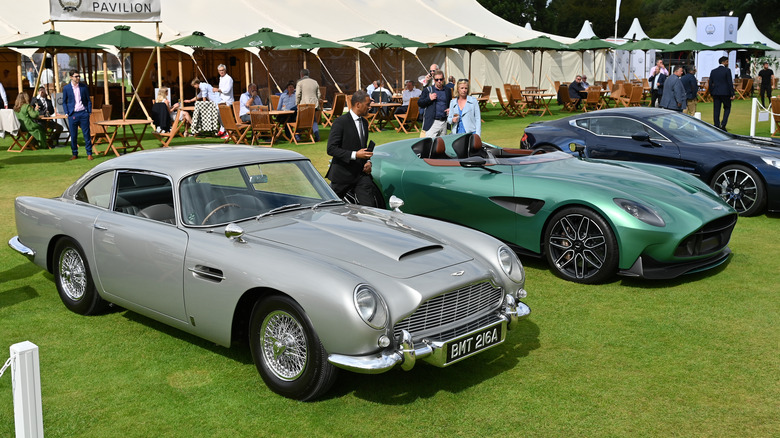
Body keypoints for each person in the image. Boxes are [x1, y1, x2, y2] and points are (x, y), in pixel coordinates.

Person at [326, 90, 379, 207]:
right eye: (368, 104)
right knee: (330, 207)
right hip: (342, 175)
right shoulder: (340, 122)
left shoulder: (364, 123)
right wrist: (355, 155)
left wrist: (368, 161)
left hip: (361, 175)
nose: (370, 107)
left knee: (370, 208)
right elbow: (331, 149)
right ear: (358, 104)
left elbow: (362, 148)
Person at [61, 70, 93, 160]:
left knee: (86, 134)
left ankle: (89, 153)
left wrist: (89, 111)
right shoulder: (66, 88)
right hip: (73, 114)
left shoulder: (83, 87)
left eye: (79, 76)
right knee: (73, 135)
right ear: (71, 77)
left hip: (83, 113)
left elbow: (88, 100)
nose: (78, 78)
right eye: (76, 76)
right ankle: (74, 153)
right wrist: (67, 112)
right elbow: (64, 102)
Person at [418, 69, 452, 138]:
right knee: (430, 144)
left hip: (444, 122)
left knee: (442, 145)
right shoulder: (428, 90)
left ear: (444, 79)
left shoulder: (447, 90)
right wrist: (429, 99)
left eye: (441, 79)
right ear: (434, 80)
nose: (439, 81)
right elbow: (420, 103)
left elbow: (450, 103)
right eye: (437, 80)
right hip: (432, 122)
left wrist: (450, 109)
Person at [709, 56, 735, 131]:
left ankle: (716, 125)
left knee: (716, 109)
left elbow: (710, 83)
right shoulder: (727, 70)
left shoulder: (713, 71)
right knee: (727, 108)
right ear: (723, 62)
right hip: (725, 93)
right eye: (727, 61)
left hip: (716, 93)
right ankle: (723, 124)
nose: (728, 63)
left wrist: (711, 92)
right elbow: (730, 82)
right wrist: (732, 93)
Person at [295, 68, 321, 141]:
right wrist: (316, 101)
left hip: (304, 104)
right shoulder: (315, 82)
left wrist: (297, 103)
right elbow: (319, 94)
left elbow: (297, 94)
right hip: (314, 105)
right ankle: (317, 136)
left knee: (301, 120)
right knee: (314, 120)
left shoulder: (300, 82)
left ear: (301, 75)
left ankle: (297, 136)